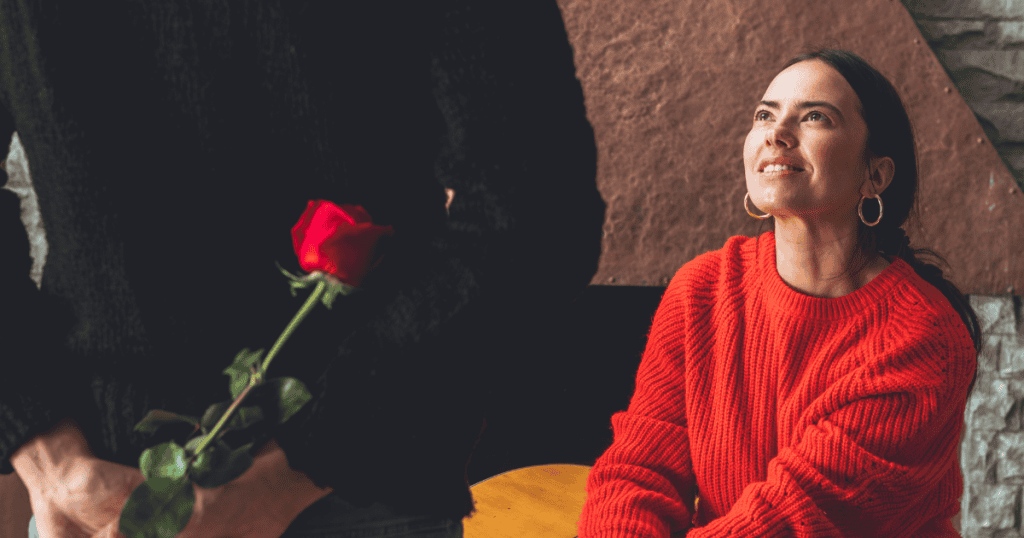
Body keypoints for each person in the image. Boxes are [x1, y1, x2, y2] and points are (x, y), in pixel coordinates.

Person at [0, 1, 605, 538]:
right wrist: (43, 450)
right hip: (93, 499)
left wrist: (290, 474)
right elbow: (540, 214)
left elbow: (534, 218)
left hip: (329, 492)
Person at [578, 49, 980, 538]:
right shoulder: (702, 289)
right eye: (765, 115)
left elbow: (793, 521)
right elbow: (639, 469)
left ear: (875, 175)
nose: (776, 133)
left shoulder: (922, 338)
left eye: (815, 117)